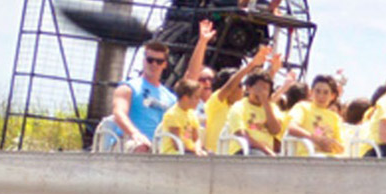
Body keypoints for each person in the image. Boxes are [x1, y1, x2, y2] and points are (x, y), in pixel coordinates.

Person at [110, 21, 215, 152]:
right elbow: (119, 113)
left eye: (159, 61)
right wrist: (135, 134)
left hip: (159, 147)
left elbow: (191, 79)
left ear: (165, 64)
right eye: (150, 60)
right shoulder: (128, 88)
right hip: (129, 142)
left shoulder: (169, 96)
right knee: (142, 147)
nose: (154, 64)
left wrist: (202, 43)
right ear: (144, 60)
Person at [202, 45, 270, 153]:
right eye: (239, 85)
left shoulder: (242, 106)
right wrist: (251, 65)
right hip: (216, 158)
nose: (242, 88)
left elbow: (262, 92)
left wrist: (273, 71)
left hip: (237, 156)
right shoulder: (215, 103)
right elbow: (229, 87)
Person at [283, 73, 345, 156]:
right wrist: (316, 139)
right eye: (317, 91)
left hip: (329, 158)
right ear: (311, 92)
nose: (321, 96)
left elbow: (341, 147)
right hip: (307, 155)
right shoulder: (302, 107)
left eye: (326, 93)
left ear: (332, 96)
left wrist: (332, 145)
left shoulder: (334, 117)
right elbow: (292, 128)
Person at [156, 78, 206, 155]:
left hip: (189, 151)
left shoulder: (191, 114)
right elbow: (177, 144)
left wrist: (198, 149)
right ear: (185, 98)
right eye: (196, 97)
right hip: (173, 154)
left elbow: (196, 138)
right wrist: (194, 151)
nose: (199, 101)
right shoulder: (173, 114)